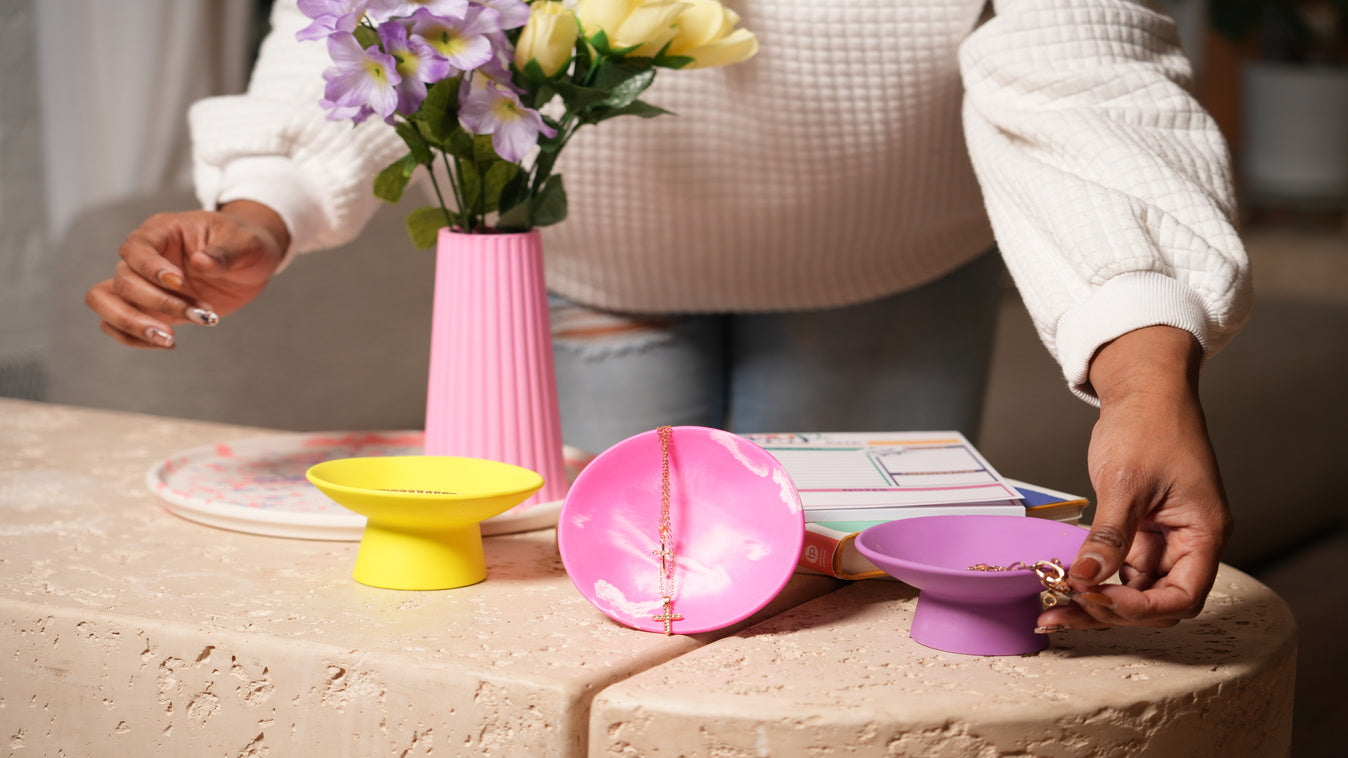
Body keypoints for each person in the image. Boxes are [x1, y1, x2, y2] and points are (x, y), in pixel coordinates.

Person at [85, 0, 1251, 636]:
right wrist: (263, 203)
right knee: (613, 617)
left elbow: (1083, 62)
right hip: (603, 268)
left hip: (893, 261)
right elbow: (364, 22)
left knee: (843, 641)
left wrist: (1147, 375)